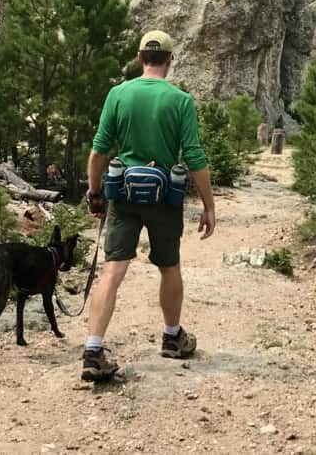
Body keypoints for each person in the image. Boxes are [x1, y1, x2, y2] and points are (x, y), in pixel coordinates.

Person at [81, 29, 216, 382]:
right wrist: (208, 205)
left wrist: (96, 194)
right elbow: (195, 156)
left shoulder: (118, 94)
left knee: (113, 269)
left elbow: (99, 150)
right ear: (169, 60)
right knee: (169, 266)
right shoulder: (180, 100)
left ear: (140, 58)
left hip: (124, 197)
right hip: (164, 199)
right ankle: (172, 337)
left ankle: (93, 350)